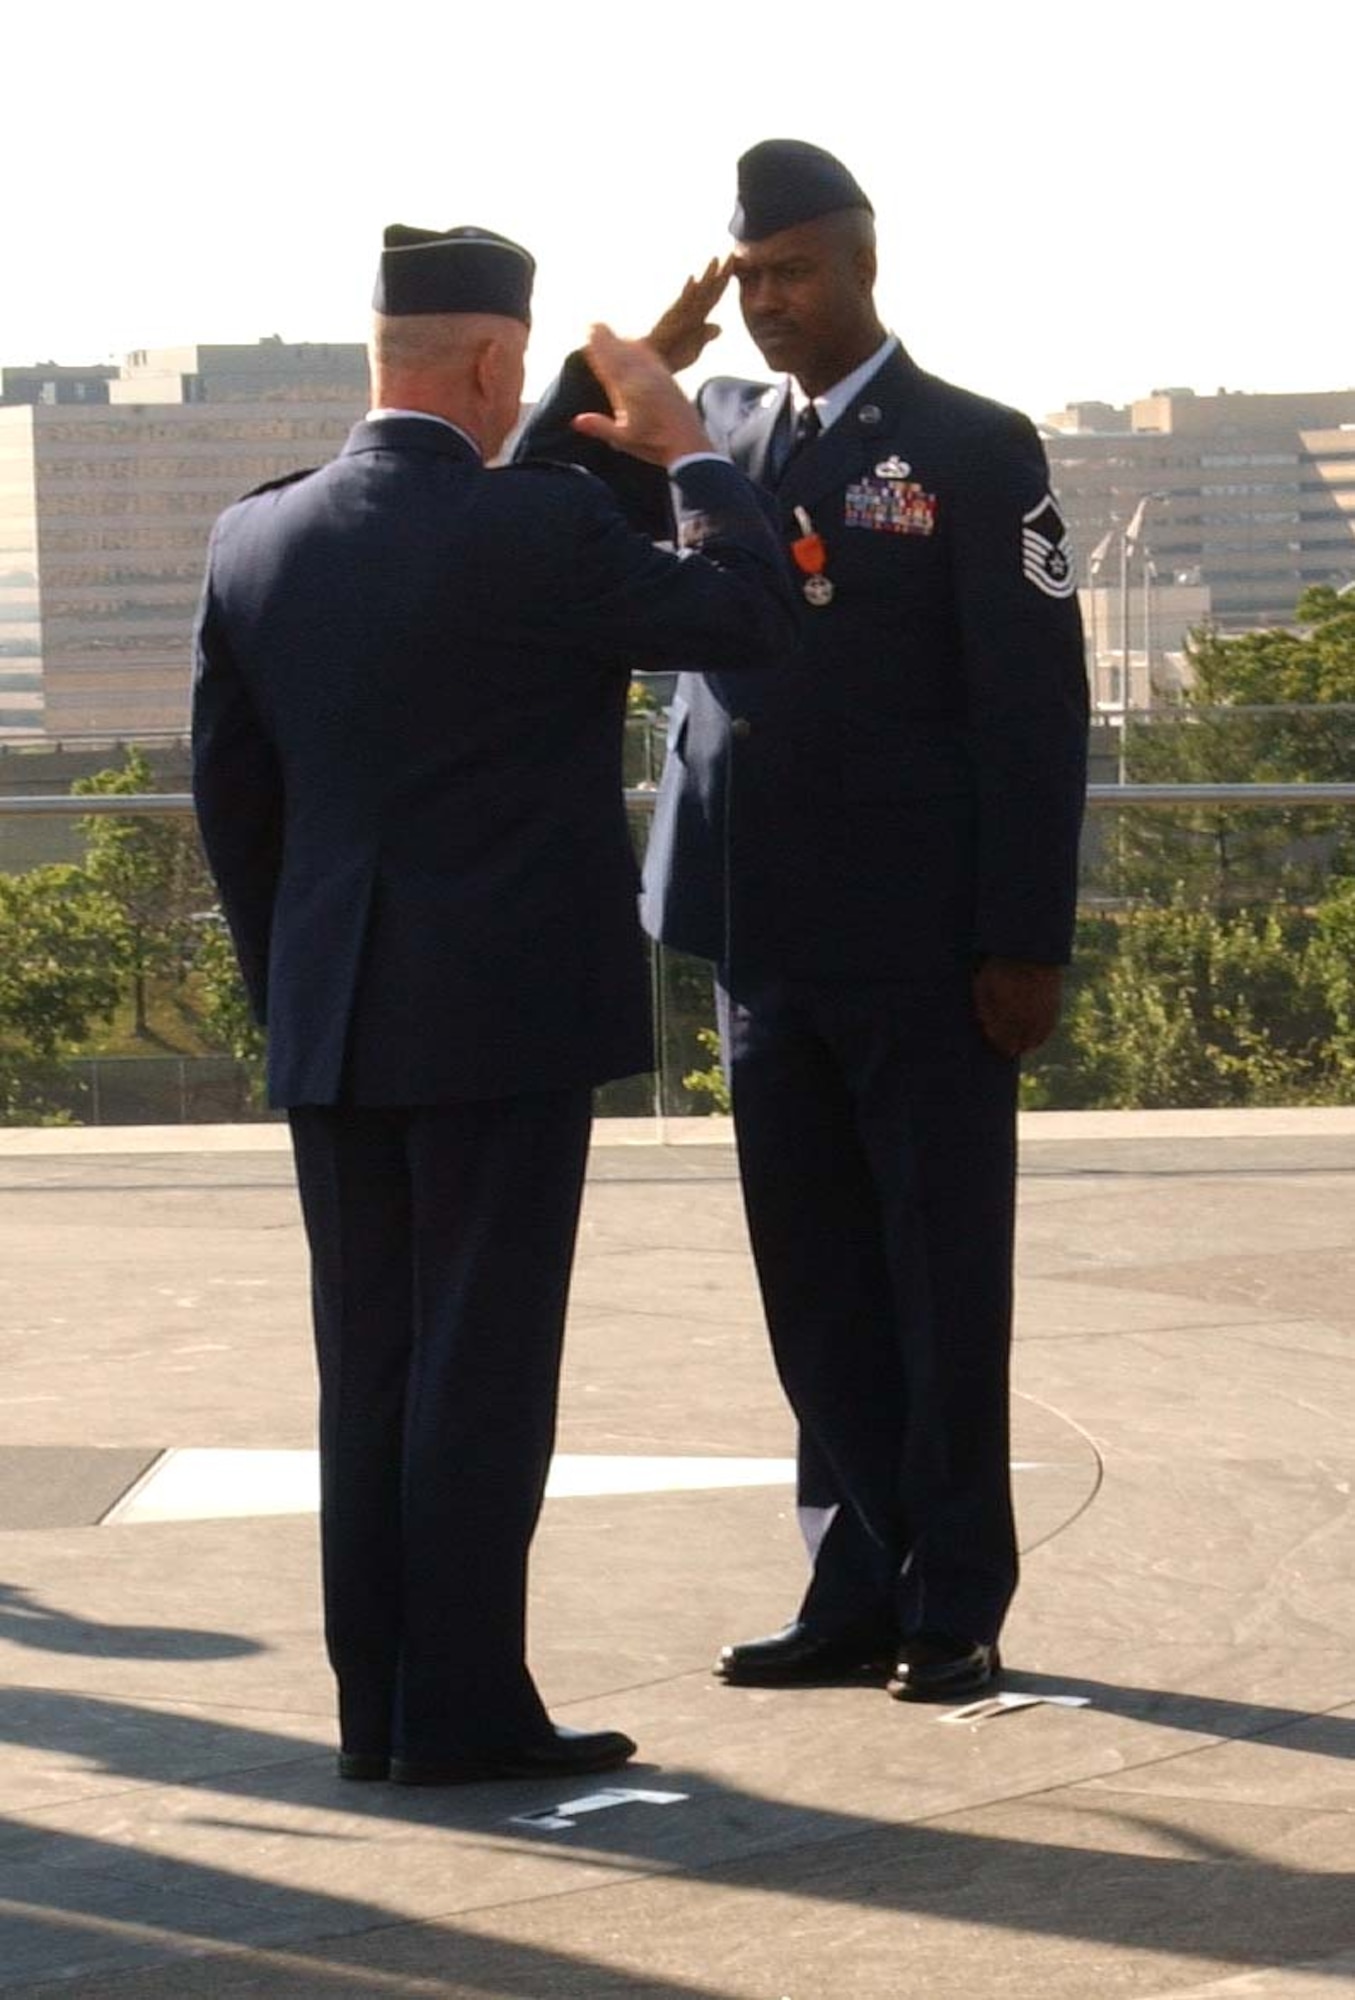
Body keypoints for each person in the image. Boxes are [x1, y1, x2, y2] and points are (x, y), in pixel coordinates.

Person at [191, 222, 795, 1784]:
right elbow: (751, 621)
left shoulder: (256, 539)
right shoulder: (534, 538)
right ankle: (463, 1710)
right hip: (503, 1024)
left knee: (370, 1371)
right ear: (494, 361)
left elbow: (236, 812)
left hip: (333, 1021)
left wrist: (301, 999)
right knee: (481, 1370)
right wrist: (688, 452)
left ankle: (378, 1710)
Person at [518, 142, 1089, 1702]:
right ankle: (852, 1579)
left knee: (939, 1277)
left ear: (863, 265)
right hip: (759, 938)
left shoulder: (971, 446)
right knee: (816, 1282)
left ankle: (955, 1595)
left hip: (925, 947)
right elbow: (528, 501)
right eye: (751, 277)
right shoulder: (723, 435)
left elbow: (1035, 711)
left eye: (796, 274)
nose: (772, 303)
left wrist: (1026, 937)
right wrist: (646, 357)